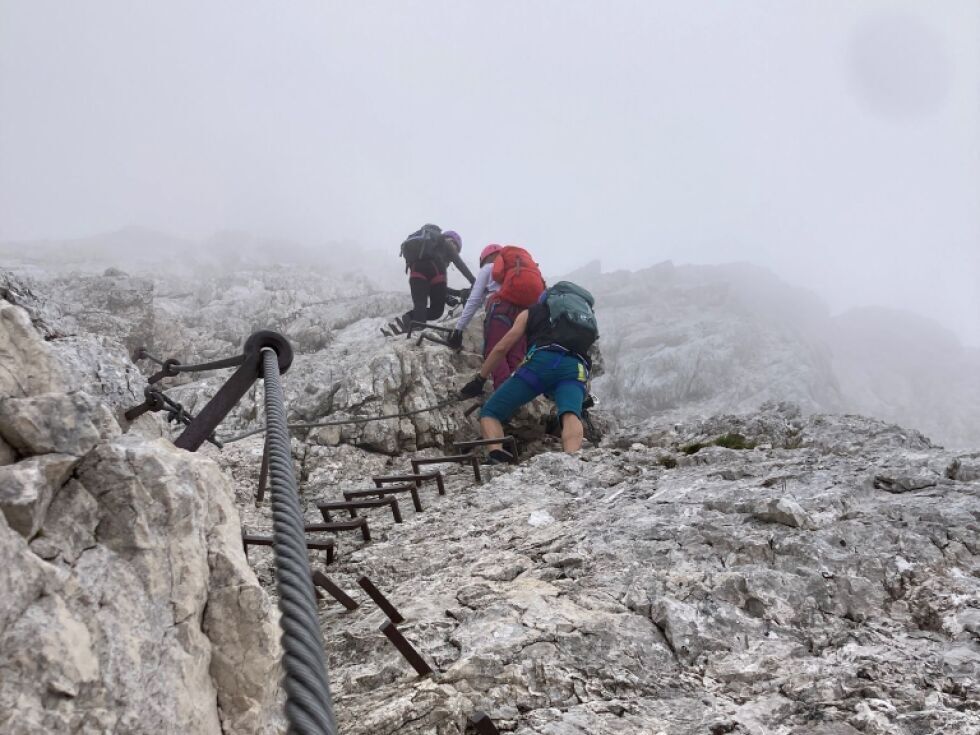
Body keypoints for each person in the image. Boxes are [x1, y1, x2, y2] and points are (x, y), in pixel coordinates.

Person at [459, 281, 599, 461]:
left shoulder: (532, 311)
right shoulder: (583, 319)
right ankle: (572, 460)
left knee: (491, 412)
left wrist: (480, 379)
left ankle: (497, 457)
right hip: (575, 368)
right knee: (570, 414)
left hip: (540, 365)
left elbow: (502, 347)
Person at [447, 244, 528, 388]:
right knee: (515, 358)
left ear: (487, 257)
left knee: (495, 352)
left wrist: (458, 328)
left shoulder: (488, 268)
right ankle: (515, 394)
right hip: (524, 312)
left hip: (500, 309)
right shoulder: (518, 271)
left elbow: (474, 299)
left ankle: (503, 396)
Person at [392, 225, 475, 334]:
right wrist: (474, 282)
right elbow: (460, 265)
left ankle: (410, 320)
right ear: (453, 242)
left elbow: (430, 287)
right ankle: (415, 328)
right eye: (456, 248)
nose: (455, 250)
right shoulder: (446, 244)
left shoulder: (425, 249)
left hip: (416, 272)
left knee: (420, 305)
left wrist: (447, 296)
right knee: (436, 311)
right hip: (436, 272)